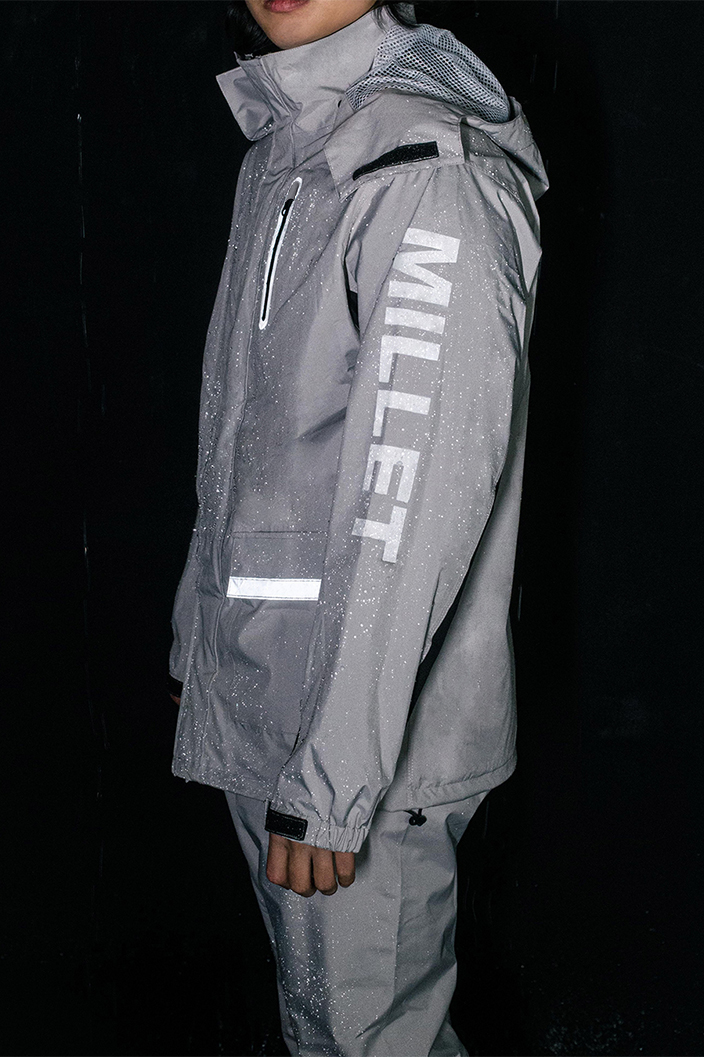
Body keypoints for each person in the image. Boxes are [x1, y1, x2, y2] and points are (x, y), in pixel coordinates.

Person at [168, 1, 547, 1053]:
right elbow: (249, 446)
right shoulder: (293, 141)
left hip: (356, 751)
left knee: (370, 1041)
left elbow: (413, 506)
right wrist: (201, 647)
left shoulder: (425, 172)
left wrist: (333, 781)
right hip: (274, 705)